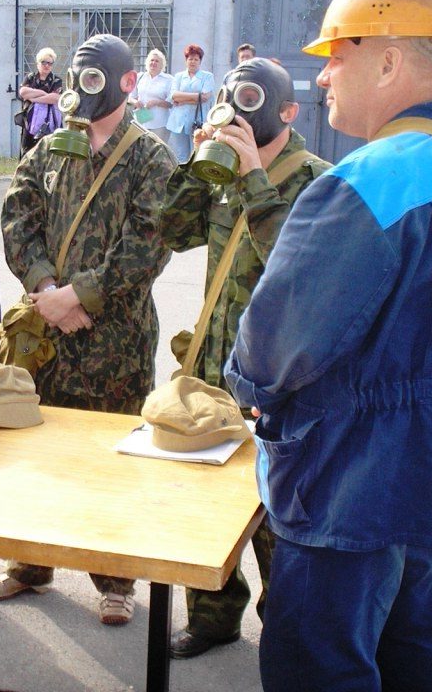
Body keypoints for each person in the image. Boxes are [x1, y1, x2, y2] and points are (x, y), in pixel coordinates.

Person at [224, 0, 432, 691]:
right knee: (410, 650)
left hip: (345, 480)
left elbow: (272, 345)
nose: (324, 76)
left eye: (339, 54)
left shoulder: (363, 182)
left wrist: (247, 384)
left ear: (390, 59)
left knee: (321, 666)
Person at [0, 33, 174, 626]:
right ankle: (30, 565)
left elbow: (147, 245)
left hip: (116, 343)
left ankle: (115, 581)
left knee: (111, 462)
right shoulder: (50, 149)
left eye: (96, 79)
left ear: (127, 83)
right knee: (34, 454)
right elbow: (18, 215)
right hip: (47, 338)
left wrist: (79, 296)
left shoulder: (151, 158)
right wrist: (44, 290)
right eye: (77, 78)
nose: (84, 90)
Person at [160, 58, 330, 659]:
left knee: (278, 508)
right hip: (214, 367)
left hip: (281, 376)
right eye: (234, 96)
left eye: (254, 96)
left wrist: (256, 178)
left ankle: (287, 629)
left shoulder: (319, 180)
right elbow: (169, 226)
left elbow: (298, 267)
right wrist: (201, 162)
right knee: (205, 500)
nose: (242, 107)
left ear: (288, 111)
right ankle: (212, 616)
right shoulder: (223, 173)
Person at [166, 43, 215, 162]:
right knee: (180, 155)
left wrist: (183, 100)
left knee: (197, 153)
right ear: (186, 60)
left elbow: (205, 98)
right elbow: (173, 96)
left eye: (196, 59)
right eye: (190, 59)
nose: (192, 62)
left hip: (197, 121)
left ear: (200, 61)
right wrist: (195, 97)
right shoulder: (178, 76)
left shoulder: (207, 77)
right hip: (179, 121)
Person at [18, 46, 63, 156]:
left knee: (48, 151)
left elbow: (55, 98)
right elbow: (23, 92)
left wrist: (34, 98)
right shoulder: (30, 77)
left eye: (50, 63)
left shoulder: (56, 80)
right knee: (27, 152)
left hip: (50, 120)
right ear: (38, 63)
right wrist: (44, 94)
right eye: (44, 62)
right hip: (30, 120)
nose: (47, 65)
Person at [128, 47, 173, 141]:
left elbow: (171, 103)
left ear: (162, 64)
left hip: (160, 123)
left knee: (158, 151)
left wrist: (157, 102)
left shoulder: (168, 80)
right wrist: (136, 102)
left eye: (157, 61)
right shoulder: (140, 77)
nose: (153, 63)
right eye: (152, 60)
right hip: (141, 120)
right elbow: (130, 97)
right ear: (147, 62)